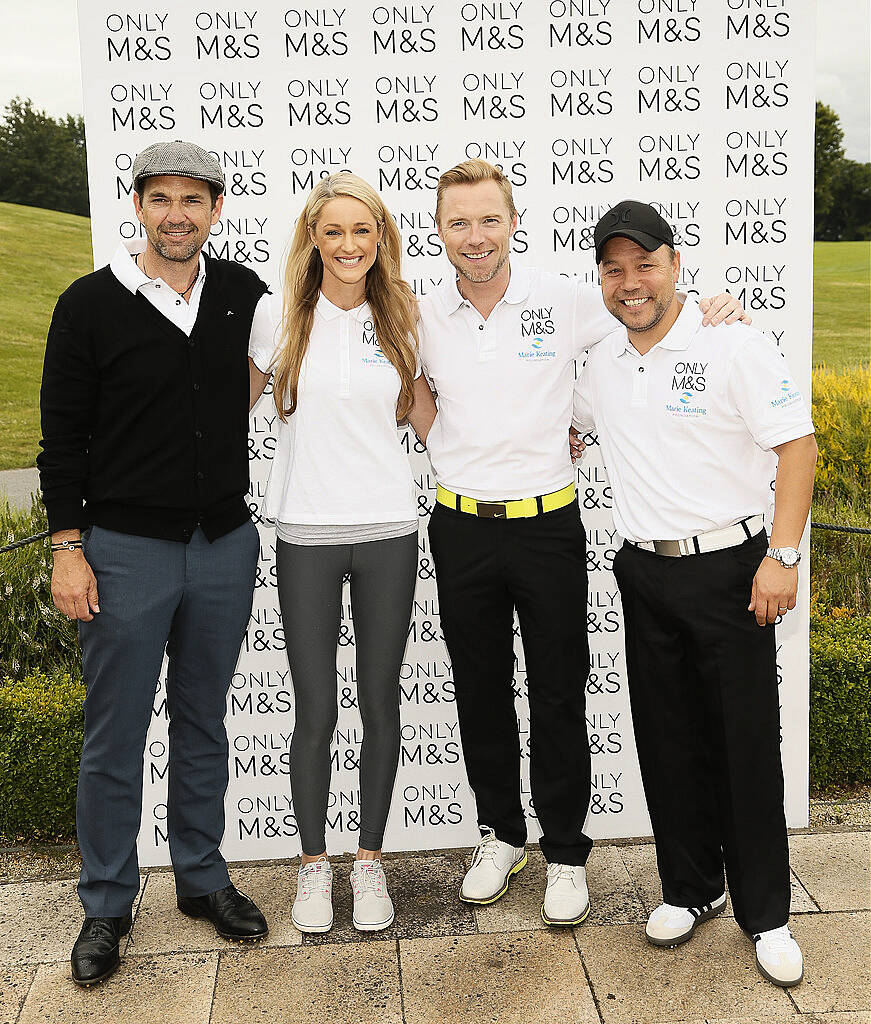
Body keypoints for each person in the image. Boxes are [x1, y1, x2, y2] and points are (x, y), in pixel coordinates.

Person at [418, 160, 747, 927]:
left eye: (489, 219)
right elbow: (399, 376)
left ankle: (565, 851)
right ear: (439, 231)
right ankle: (500, 833)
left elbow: (647, 314)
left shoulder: (566, 300)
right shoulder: (419, 311)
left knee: (559, 692)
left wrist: (709, 306)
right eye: (459, 222)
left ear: (512, 222)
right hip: (459, 523)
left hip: (549, 526)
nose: (475, 237)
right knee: (479, 688)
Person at [38, 141, 271, 987]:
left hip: (223, 546)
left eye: (194, 200)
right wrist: (70, 548)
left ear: (216, 209)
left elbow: (342, 319)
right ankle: (106, 901)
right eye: (161, 198)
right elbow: (60, 439)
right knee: (115, 735)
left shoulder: (245, 294)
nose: (178, 214)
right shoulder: (91, 304)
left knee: (204, 720)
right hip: (124, 551)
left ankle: (201, 879)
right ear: (138, 204)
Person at [572, 200, 816, 986]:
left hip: (730, 570)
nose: (629, 281)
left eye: (643, 264)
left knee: (742, 745)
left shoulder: (730, 341)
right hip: (643, 570)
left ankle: (767, 915)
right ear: (601, 280)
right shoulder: (603, 358)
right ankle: (689, 888)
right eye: (613, 268)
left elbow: (797, 446)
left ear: (674, 265)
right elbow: (562, 424)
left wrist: (781, 557)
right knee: (666, 737)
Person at [248, 173, 437, 934]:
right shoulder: (278, 316)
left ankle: (369, 863)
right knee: (315, 709)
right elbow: (221, 405)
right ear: (313, 239)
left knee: (381, 702)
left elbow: (435, 418)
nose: (349, 245)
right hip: (304, 533)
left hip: (390, 529)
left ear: (381, 237)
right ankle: (311, 867)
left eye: (363, 231)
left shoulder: (407, 315)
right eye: (334, 232)